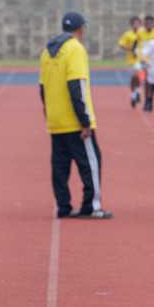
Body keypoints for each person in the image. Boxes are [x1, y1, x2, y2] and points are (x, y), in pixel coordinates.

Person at [40, 12, 113, 220]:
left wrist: (48, 112)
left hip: (55, 120)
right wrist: (85, 121)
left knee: (60, 166)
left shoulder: (47, 51)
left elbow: (42, 88)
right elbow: (76, 86)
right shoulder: (75, 49)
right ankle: (92, 206)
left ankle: (63, 206)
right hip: (74, 121)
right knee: (91, 163)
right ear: (81, 29)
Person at [117, 16, 143, 108]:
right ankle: (134, 95)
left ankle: (137, 92)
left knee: (140, 77)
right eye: (134, 23)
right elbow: (121, 44)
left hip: (143, 59)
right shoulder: (127, 34)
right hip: (132, 60)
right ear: (131, 24)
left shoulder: (142, 33)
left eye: (138, 23)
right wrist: (130, 48)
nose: (136, 25)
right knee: (134, 77)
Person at [137, 15, 154, 112]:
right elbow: (139, 46)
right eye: (147, 23)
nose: (149, 25)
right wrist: (141, 58)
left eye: (151, 23)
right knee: (147, 81)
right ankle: (148, 101)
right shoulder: (140, 33)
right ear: (144, 24)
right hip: (145, 59)